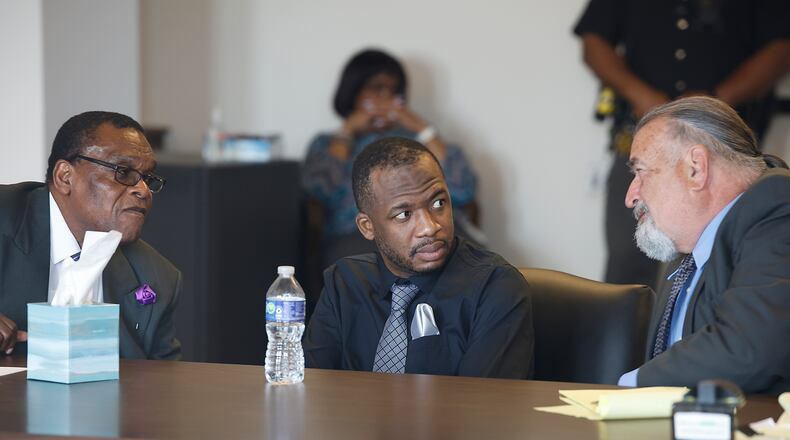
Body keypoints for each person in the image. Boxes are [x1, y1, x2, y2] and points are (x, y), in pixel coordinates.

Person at [573, 0, 790, 288]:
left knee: (722, 261)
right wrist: (641, 96)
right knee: (629, 263)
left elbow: (781, 48)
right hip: (642, 140)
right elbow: (594, 42)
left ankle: (705, 334)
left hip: (721, 147)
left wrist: (713, 100)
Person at [303, 137, 532, 378]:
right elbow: (310, 389)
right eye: (404, 214)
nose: (430, 226)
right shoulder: (345, 283)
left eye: (438, 202)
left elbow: (484, 406)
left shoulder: (496, 287)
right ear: (367, 226)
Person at [617, 96, 790, 394]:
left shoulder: (777, 208)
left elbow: (748, 347)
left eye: (640, 171)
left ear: (696, 168)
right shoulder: (689, 240)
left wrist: (624, 388)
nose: (630, 196)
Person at [0, 111, 182, 360]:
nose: (143, 190)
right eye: (123, 172)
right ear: (65, 177)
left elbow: (165, 385)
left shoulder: (156, 276)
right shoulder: (5, 215)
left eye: (148, 179)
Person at [302, 48, 479, 271]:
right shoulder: (328, 143)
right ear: (353, 91)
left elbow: (464, 189)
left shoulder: (417, 141)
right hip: (355, 240)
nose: (386, 99)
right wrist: (347, 132)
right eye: (376, 89)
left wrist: (421, 127)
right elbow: (318, 192)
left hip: (431, 233)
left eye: (394, 91)